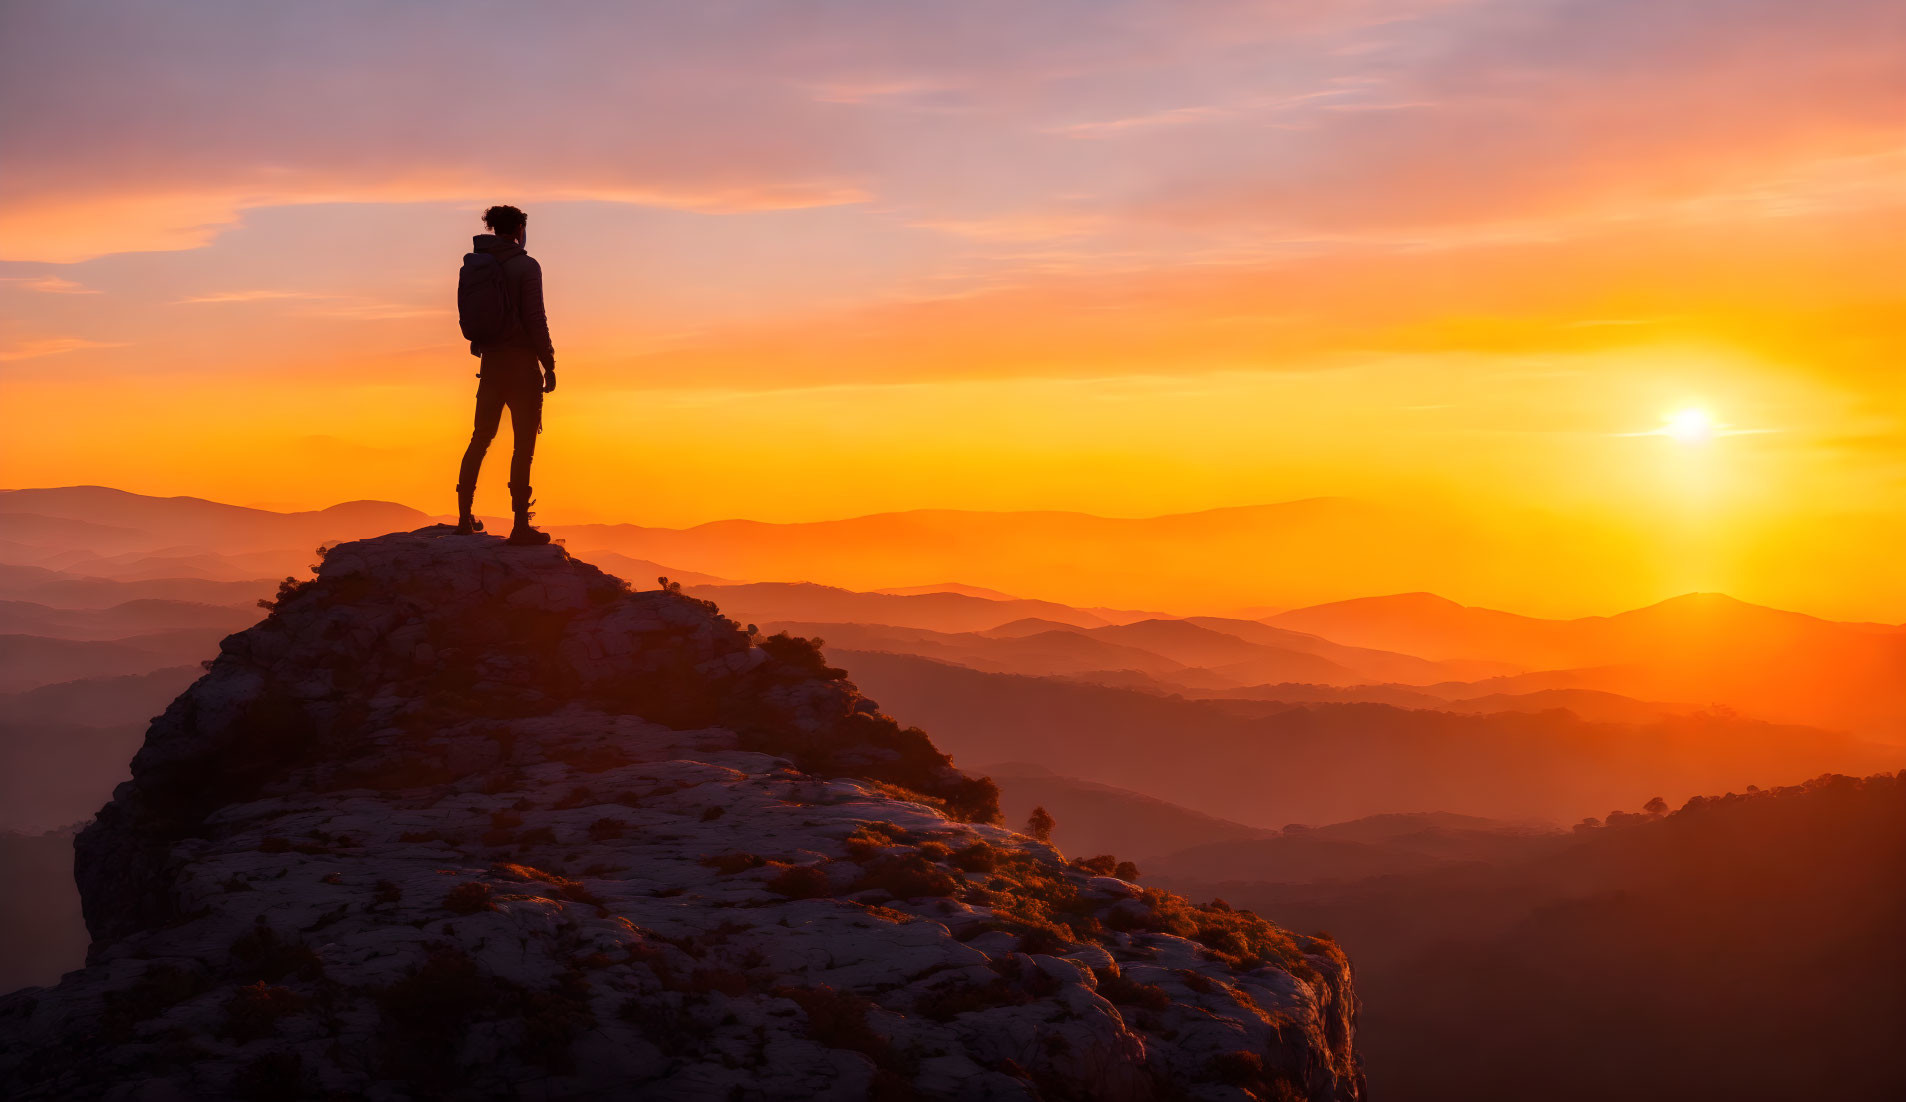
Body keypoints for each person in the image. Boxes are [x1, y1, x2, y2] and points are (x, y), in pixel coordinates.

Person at [455, 204, 556, 545]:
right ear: (519, 230)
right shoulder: (526, 266)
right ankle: (519, 525)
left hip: (491, 364)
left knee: (480, 438)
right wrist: (549, 363)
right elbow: (535, 317)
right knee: (523, 446)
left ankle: (464, 517)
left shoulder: (477, 265)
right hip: (522, 366)